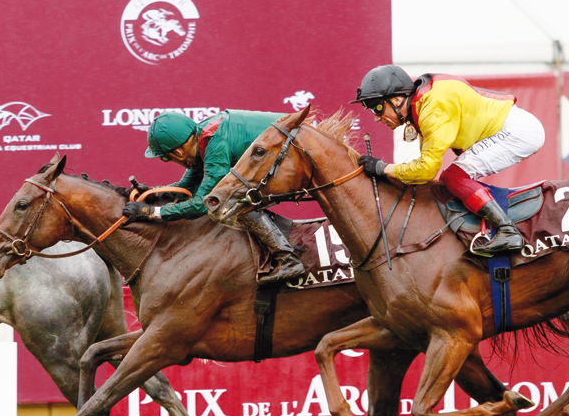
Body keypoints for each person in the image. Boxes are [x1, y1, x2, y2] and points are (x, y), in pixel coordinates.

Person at [352, 65, 546, 255]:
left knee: (454, 177)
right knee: (453, 177)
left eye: (377, 108)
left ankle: (508, 231)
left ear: (396, 99)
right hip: (512, 127)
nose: (377, 118)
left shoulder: (432, 107)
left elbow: (426, 171)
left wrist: (382, 168)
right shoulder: (421, 104)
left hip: (518, 131)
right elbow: (424, 165)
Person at [122, 110, 308, 285]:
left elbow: (203, 204)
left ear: (178, 152)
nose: (172, 161)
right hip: (291, 148)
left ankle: (288, 260)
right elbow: (187, 187)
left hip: (299, 154)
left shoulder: (215, 143)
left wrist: (150, 212)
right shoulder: (202, 137)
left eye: (167, 158)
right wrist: (153, 194)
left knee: (231, 201)